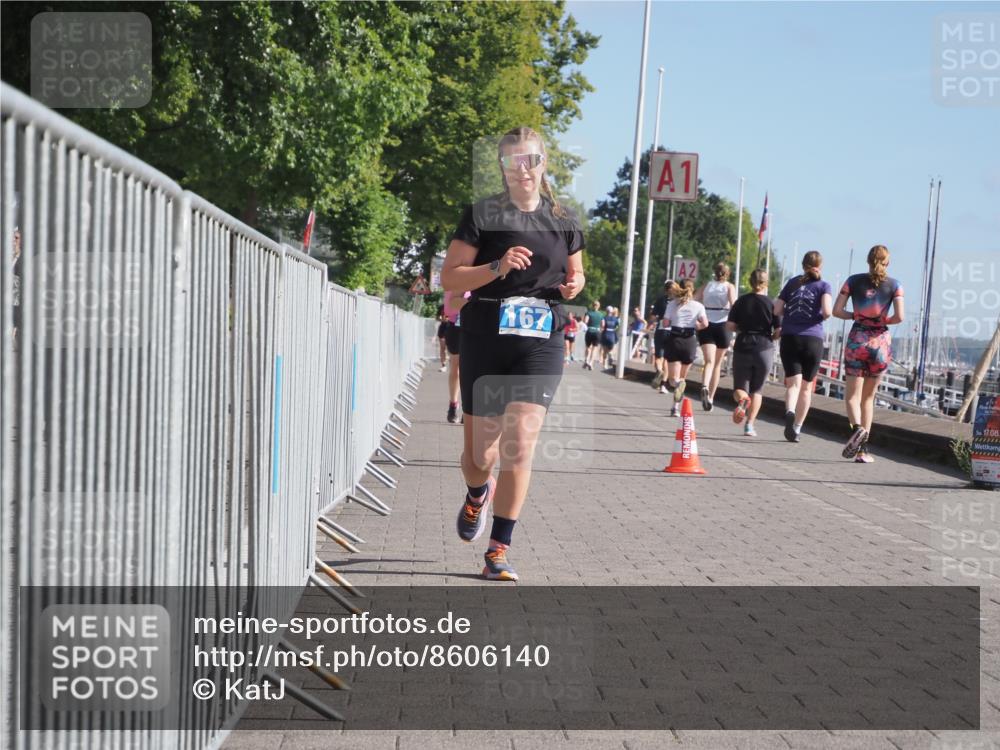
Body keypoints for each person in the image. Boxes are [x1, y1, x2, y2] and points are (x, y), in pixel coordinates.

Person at [440, 126, 585, 581]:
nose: (523, 170)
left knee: (519, 445)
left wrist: (573, 285)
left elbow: (577, 275)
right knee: (481, 455)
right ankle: (476, 494)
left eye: (531, 161)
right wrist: (497, 267)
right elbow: (450, 278)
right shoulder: (483, 214)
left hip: (541, 341)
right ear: (502, 167)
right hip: (486, 334)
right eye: (512, 162)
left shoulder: (564, 219)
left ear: (544, 164)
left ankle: (498, 550)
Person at [832, 245, 904, 463]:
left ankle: (856, 429)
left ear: (867, 261)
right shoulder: (895, 285)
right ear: (887, 262)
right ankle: (863, 452)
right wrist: (883, 320)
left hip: (857, 341)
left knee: (852, 396)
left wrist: (856, 315)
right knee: (869, 399)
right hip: (880, 344)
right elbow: (899, 316)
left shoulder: (852, 281)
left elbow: (836, 311)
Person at [774, 251, 832, 442]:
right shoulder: (824, 285)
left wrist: (791, 317)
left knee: (793, 384)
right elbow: (828, 312)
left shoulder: (792, 283)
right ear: (821, 266)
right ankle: (797, 428)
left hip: (790, 337)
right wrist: (815, 317)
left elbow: (777, 309)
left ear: (802, 265)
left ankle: (790, 410)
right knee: (806, 388)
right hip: (813, 339)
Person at [727, 269, 780, 437]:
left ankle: (743, 400)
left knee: (739, 388)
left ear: (750, 282)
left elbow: (730, 326)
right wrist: (771, 336)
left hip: (743, 344)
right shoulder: (771, 304)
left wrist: (740, 328)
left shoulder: (741, 302)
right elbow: (779, 330)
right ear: (766, 283)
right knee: (757, 389)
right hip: (764, 347)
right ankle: (749, 426)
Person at [661, 279, 708, 417]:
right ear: (692, 290)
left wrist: (671, 320)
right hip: (690, 341)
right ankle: (675, 407)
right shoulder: (698, 306)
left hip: (675, 339)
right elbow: (705, 324)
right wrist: (695, 325)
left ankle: (676, 399)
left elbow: (665, 323)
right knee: (682, 377)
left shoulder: (672, 304)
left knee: (672, 379)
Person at [695, 262, 737, 412]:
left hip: (707, 324)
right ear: (728, 273)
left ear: (715, 272)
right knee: (717, 364)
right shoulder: (729, 287)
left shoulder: (707, 285)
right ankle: (711, 397)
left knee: (709, 361)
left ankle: (704, 385)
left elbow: (695, 299)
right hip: (723, 325)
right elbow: (733, 305)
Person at [442, 289, 468, 423]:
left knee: (471, 370)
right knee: (456, 369)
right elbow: (449, 307)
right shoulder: (457, 276)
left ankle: (468, 410)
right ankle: (453, 405)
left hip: (476, 326)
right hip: (456, 327)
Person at [650, 280, 677, 389]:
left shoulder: (660, 300)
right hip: (673, 331)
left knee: (658, 356)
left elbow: (652, 318)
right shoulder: (677, 301)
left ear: (665, 290)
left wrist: (654, 320)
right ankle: (663, 386)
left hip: (661, 329)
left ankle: (659, 371)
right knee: (667, 359)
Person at [582, 300, 605, 371]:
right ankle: (591, 363)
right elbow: (603, 324)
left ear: (592, 305)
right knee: (594, 348)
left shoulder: (589, 313)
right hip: (597, 331)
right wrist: (600, 329)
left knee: (588, 347)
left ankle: (586, 360)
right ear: (599, 306)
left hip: (589, 331)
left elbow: (585, 321)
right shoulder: (601, 315)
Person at [600, 305, 620, 370]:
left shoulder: (604, 318)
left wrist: (601, 330)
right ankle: (610, 353)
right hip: (612, 334)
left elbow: (602, 325)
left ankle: (604, 364)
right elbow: (618, 325)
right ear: (612, 312)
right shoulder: (615, 318)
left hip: (605, 333)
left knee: (604, 351)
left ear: (606, 311)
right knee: (611, 347)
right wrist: (615, 329)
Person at [436, 303, 449, 372]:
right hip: (443, 329)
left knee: (450, 349)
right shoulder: (441, 306)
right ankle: (443, 365)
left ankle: (454, 366)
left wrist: (449, 319)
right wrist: (442, 319)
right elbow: (437, 317)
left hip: (453, 329)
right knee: (443, 347)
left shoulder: (455, 304)